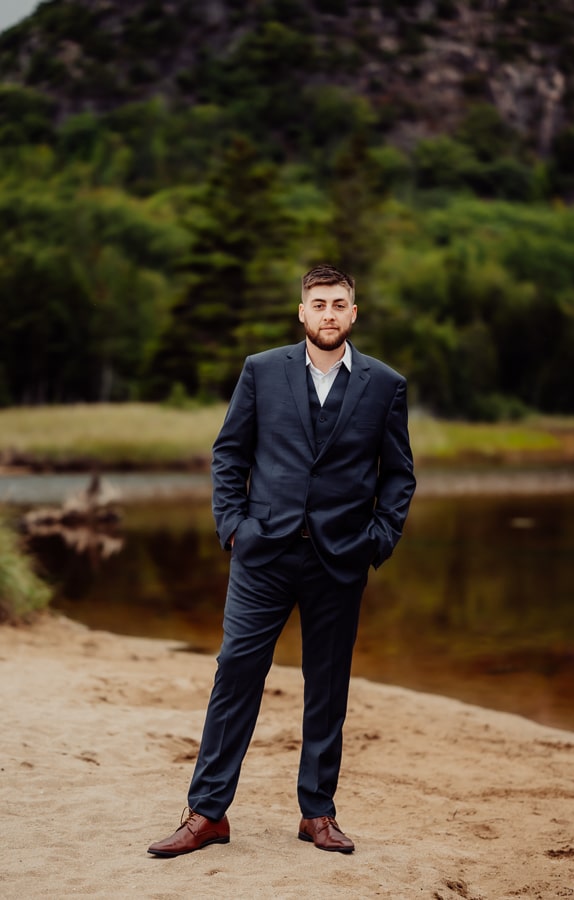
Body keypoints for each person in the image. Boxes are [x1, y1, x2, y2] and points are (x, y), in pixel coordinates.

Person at [148, 263, 416, 857]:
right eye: (317, 303)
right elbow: (229, 454)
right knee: (236, 673)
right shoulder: (262, 371)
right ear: (302, 312)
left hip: (340, 559)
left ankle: (317, 813)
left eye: (338, 304)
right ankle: (207, 813)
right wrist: (234, 529)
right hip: (262, 555)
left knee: (327, 687)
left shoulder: (385, 384)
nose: (328, 313)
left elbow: (399, 474)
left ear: (353, 312)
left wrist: (378, 540)